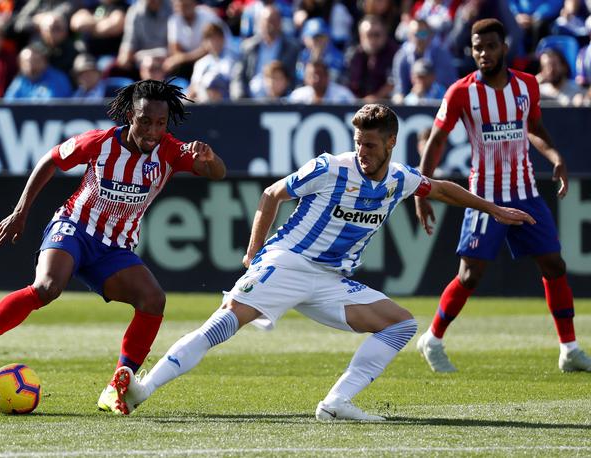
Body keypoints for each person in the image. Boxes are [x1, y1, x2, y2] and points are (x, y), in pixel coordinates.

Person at [105, 103, 534, 419]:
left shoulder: (400, 178)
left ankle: (336, 403)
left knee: (401, 324)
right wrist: (255, 252)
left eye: (370, 144)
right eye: (358, 143)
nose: (362, 151)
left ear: (390, 143)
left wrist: (494, 210)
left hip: (331, 279)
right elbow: (272, 194)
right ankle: (142, 390)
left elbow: (440, 188)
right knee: (225, 322)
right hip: (289, 261)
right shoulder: (331, 168)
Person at [0, 80, 227, 415]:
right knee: (47, 288)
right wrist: (21, 212)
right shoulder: (100, 142)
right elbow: (50, 160)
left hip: (115, 248)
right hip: (74, 228)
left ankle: (115, 388)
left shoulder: (169, 150)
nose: (152, 131)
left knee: (153, 300)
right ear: (130, 116)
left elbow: (216, 174)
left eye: (160, 123)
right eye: (144, 121)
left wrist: (210, 158)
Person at [414, 18, 591, 373]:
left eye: (490, 46)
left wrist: (555, 157)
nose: (483, 53)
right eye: (477, 48)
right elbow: (436, 142)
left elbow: (535, 129)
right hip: (485, 197)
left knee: (554, 264)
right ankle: (432, 338)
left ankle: (569, 349)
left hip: (525, 193)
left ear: (504, 47)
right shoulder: (461, 92)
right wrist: (422, 190)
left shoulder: (526, 85)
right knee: (469, 276)